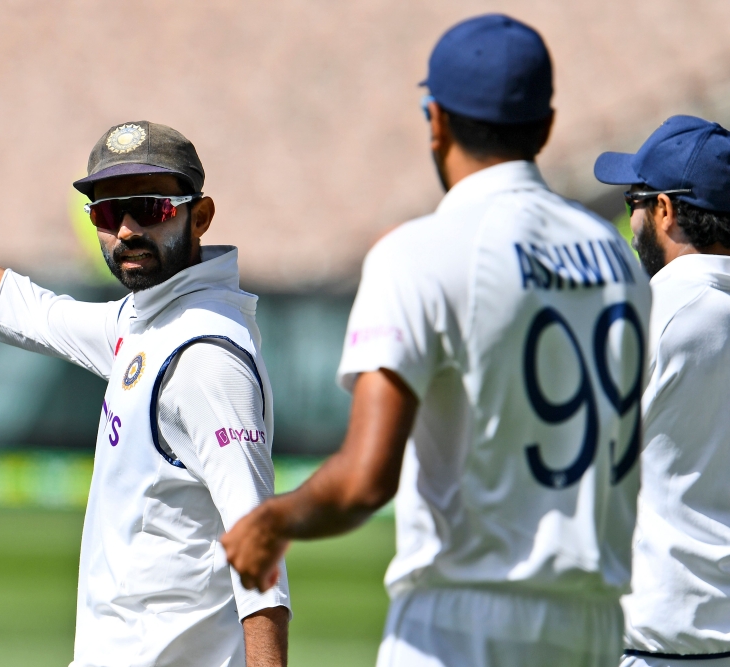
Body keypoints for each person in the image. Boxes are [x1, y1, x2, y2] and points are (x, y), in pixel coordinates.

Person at [222, 14, 651, 667]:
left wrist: (274, 519)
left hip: (460, 624)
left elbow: (365, 481)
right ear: (545, 125)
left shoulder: (418, 253)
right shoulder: (617, 259)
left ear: (437, 120)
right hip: (591, 624)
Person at [0, 121, 290, 667]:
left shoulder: (205, 357)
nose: (127, 230)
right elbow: (26, 310)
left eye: (150, 209)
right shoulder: (148, 323)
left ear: (197, 216)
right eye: (109, 214)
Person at [594, 116, 730, 667]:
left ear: (667, 209)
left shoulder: (648, 313)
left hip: (652, 643)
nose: (632, 218)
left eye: (636, 199)